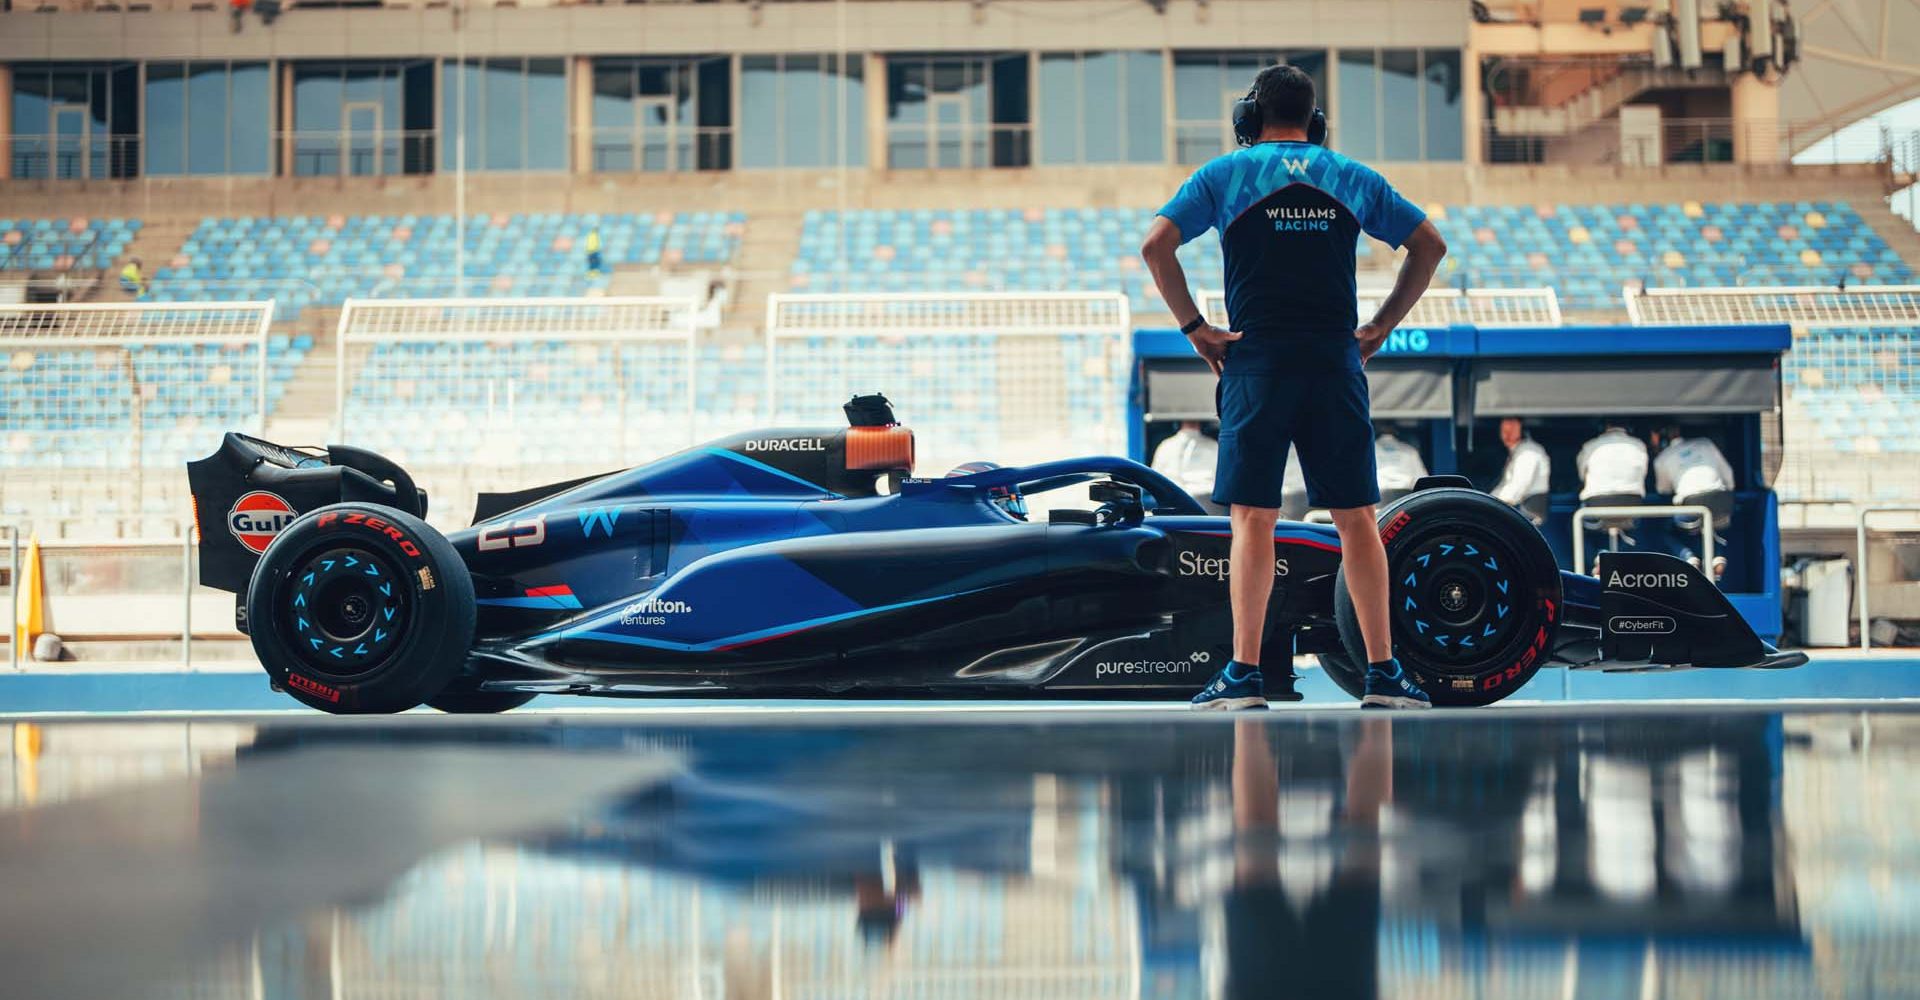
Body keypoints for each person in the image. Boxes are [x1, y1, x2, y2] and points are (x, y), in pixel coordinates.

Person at [1141, 64, 1447, 711]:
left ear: (1251, 118)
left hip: (1256, 361)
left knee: (1253, 519)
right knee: (1357, 520)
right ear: (1315, 120)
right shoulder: (1351, 175)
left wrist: (1196, 328)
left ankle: (1245, 675)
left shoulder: (1226, 174)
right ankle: (1385, 675)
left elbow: (1156, 247)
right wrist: (1381, 327)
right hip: (1335, 361)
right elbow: (1429, 245)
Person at [1652, 426, 1734, 576]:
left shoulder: (1662, 458)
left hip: (1691, 506)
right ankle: (1717, 557)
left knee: (1666, 530)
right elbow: (1728, 475)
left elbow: (1663, 490)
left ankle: (1688, 558)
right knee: (1710, 525)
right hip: (1722, 502)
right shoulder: (1706, 443)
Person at [1151, 420, 1220, 511]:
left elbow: (1154, 481)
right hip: (1207, 509)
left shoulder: (1165, 446)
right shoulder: (1214, 446)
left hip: (1172, 508)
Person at [1490, 417, 1551, 511]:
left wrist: (1491, 503)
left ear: (1521, 429)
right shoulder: (1516, 452)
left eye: (1512, 429)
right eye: (1504, 430)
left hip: (1529, 513)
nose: (1507, 434)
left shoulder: (1529, 452)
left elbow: (1517, 487)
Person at [1576, 423, 1649, 500]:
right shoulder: (1639, 445)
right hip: (1632, 501)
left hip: (1596, 503)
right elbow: (1643, 473)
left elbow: (1582, 475)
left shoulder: (1590, 445)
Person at [1372, 428, 1427, 497]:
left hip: (1379, 496)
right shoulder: (1409, 450)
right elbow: (1423, 480)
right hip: (1406, 495)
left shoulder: (1369, 450)